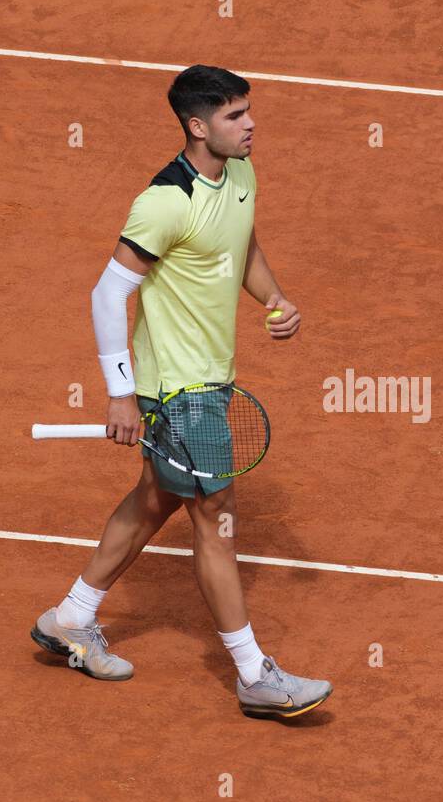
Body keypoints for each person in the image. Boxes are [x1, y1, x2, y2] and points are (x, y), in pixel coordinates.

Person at [31, 65, 332, 720]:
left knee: (155, 498)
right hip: (179, 393)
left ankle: (70, 619)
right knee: (216, 519)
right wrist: (120, 395)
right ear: (198, 127)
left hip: (212, 379)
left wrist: (274, 299)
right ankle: (254, 676)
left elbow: (241, 246)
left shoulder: (242, 174)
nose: (249, 124)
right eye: (233, 116)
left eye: (248, 111)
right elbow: (109, 292)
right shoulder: (165, 202)